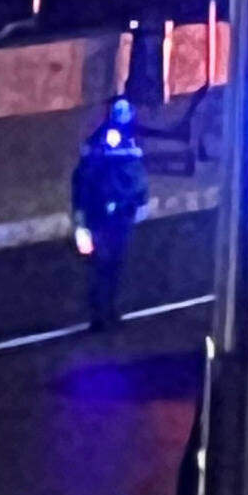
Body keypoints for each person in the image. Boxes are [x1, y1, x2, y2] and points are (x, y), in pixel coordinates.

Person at [71, 96, 149, 330]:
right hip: (101, 213)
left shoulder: (130, 141)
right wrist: (80, 217)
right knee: (102, 265)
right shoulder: (99, 144)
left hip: (122, 214)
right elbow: (84, 180)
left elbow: (136, 174)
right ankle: (99, 315)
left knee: (115, 265)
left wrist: (141, 200)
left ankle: (111, 310)